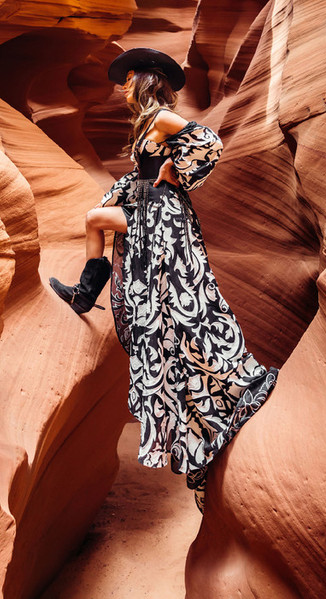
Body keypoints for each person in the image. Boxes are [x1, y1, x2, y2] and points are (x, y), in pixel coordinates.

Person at [50, 48, 278, 509]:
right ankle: (83, 293)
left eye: (128, 78)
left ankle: (85, 296)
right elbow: (141, 172)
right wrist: (147, 177)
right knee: (96, 219)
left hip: (164, 219)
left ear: (146, 82)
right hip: (149, 213)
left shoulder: (165, 119)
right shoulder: (148, 125)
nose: (122, 85)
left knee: (170, 297)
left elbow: (211, 143)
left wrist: (180, 171)